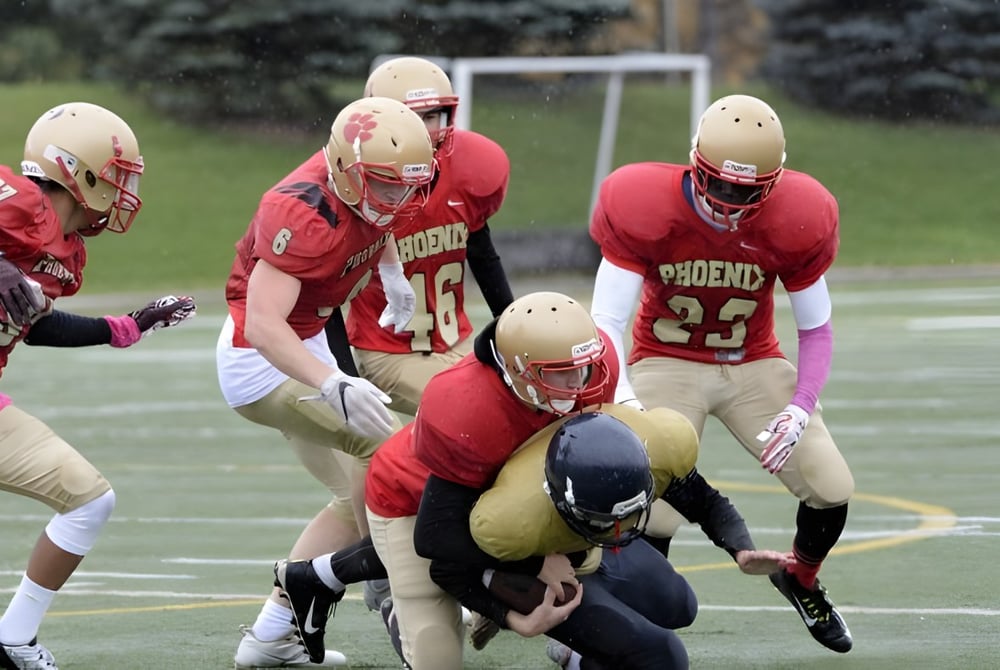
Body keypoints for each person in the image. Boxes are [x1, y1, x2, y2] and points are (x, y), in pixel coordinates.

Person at [272, 291, 788, 670]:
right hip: (418, 506)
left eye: (582, 370)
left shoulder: (594, 368)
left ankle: (316, 576)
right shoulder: (467, 407)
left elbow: (679, 478)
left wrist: (738, 546)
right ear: (517, 370)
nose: (577, 385)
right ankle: (380, 600)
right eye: (558, 374)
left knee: (676, 604)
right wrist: (508, 597)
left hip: (536, 507)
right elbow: (442, 543)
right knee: (437, 652)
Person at [588, 93, 854, 653]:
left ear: (774, 182)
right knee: (654, 511)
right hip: (667, 359)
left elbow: (817, 330)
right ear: (694, 162)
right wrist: (628, 399)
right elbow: (605, 320)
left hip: (751, 360)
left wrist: (800, 405)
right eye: (720, 184)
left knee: (831, 487)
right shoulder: (644, 201)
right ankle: (638, 632)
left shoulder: (798, 214)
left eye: (748, 191)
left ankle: (800, 578)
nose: (730, 203)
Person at [217, 96, 436, 669]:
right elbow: (264, 326)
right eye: (386, 186)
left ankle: (269, 637)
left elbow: (378, 220)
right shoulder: (301, 212)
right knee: (382, 449)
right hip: (260, 357)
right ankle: (391, 587)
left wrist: (392, 275)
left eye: (406, 187)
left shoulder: (379, 187)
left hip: (304, 341)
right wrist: (332, 381)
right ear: (344, 170)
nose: (400, 200)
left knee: (351, 497)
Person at [0, 102, 196, 670]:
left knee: (88, 499)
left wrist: (129, 325)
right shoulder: (17, 199)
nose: (124, 190)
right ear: (78, 171)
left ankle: (13, 637)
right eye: (118, 176)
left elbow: (35, 328)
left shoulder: (66, 254)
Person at [328, 55, 515, 612]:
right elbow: (328, 297)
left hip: (451, 339)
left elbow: (481, 250)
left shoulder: (469, 170)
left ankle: (305, 594)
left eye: (439, 115)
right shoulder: (363, 184)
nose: (433, 132)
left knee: (511, 423)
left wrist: (515, 332)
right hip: (385, 348)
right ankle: (442, 570)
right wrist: (342, 378)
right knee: (475, 430)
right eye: (419, 118)